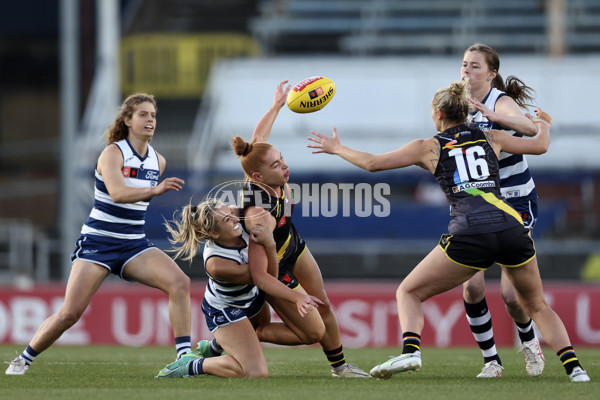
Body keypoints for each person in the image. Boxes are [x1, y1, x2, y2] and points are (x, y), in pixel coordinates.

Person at [308, 79, 590, 382]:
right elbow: (540, 145)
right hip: (512, 227)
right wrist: (544, 124)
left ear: (439, 112)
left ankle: (412, 352)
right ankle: (575, 370)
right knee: (537, 305)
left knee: (409, 292)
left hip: (470, 233)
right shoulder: (490, 136)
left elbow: (373, 164)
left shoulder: (428, 146)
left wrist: (336, 148)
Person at [5, 94, 191, 376]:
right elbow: (117, 193)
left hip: (133, 245)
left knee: (180, 282)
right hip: (98, 244)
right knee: (70, 313)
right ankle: (23, 359)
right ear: (128, 120)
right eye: (142, 114)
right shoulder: (112, 153)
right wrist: (154, 190)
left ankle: (184, 357)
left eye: (153, 115)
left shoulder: (158, 161)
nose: (150, 119)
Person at [226, 80, 370, 378]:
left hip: (292, 246)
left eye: (283, 160)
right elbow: (260, 275)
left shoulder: (263, 167)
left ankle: (340, 368)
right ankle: (246, 334)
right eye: (277, 166)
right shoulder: (258, 214)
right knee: (311, 332)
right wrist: (295, 296)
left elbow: (257, 139)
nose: (284, 168)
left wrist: (277, 105)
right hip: (272, 265)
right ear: (258, 176)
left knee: (325, 305)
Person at [156, 199, 322, 378]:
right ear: (214, 233)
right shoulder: (217, 264)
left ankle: (214, 347)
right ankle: (191, 365)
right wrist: (270, 245)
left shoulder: (241, 218)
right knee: (255, 372)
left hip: (252, 298)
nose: (236, 219)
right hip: (227, 310)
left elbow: (256, 201)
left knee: (312, 333)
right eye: (227, 219)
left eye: (231, 213)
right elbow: (267, 278)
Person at [461, 42, 544, 378]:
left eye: (475, 66)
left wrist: (495, 118)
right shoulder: (456, 102)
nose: (467, 70)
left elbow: (530, 129)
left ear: (492, 73)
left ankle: (529, 344)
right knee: (472, 288)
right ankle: (491, 361)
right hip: (478, 201)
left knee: (512, 295)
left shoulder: (500, 101)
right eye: (464, 64)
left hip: (514, 200)